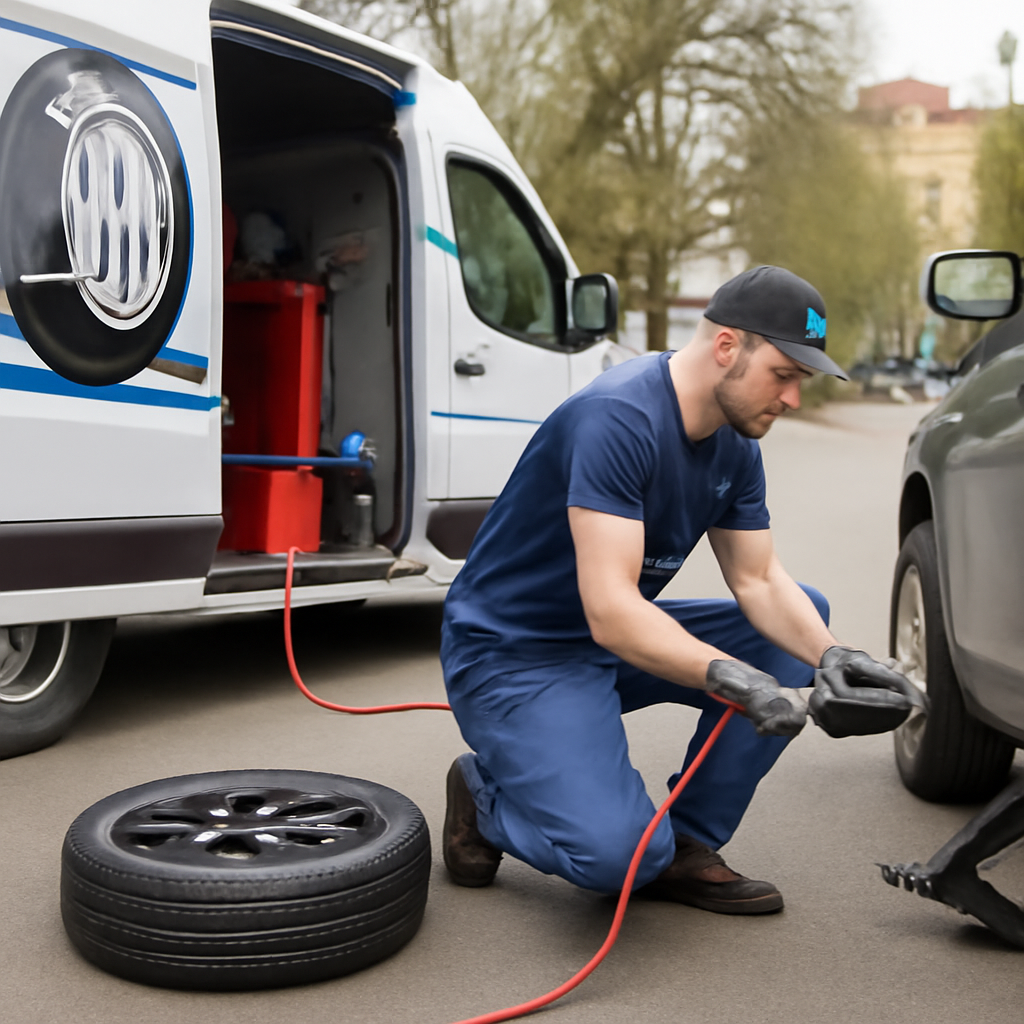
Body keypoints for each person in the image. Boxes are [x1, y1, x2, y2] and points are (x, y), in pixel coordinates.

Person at [440, 265, 915, 914]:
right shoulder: (616, 419)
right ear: (727, 348)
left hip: (604, 640)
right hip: (514, 655)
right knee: (616, 860)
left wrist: (833, 655)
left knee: (801, 627)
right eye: (784, 375)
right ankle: (485, 797)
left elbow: (759, 579)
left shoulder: (734, 442)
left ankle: (687, 844)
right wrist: (732, 679)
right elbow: (611, 610)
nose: (793, 399)